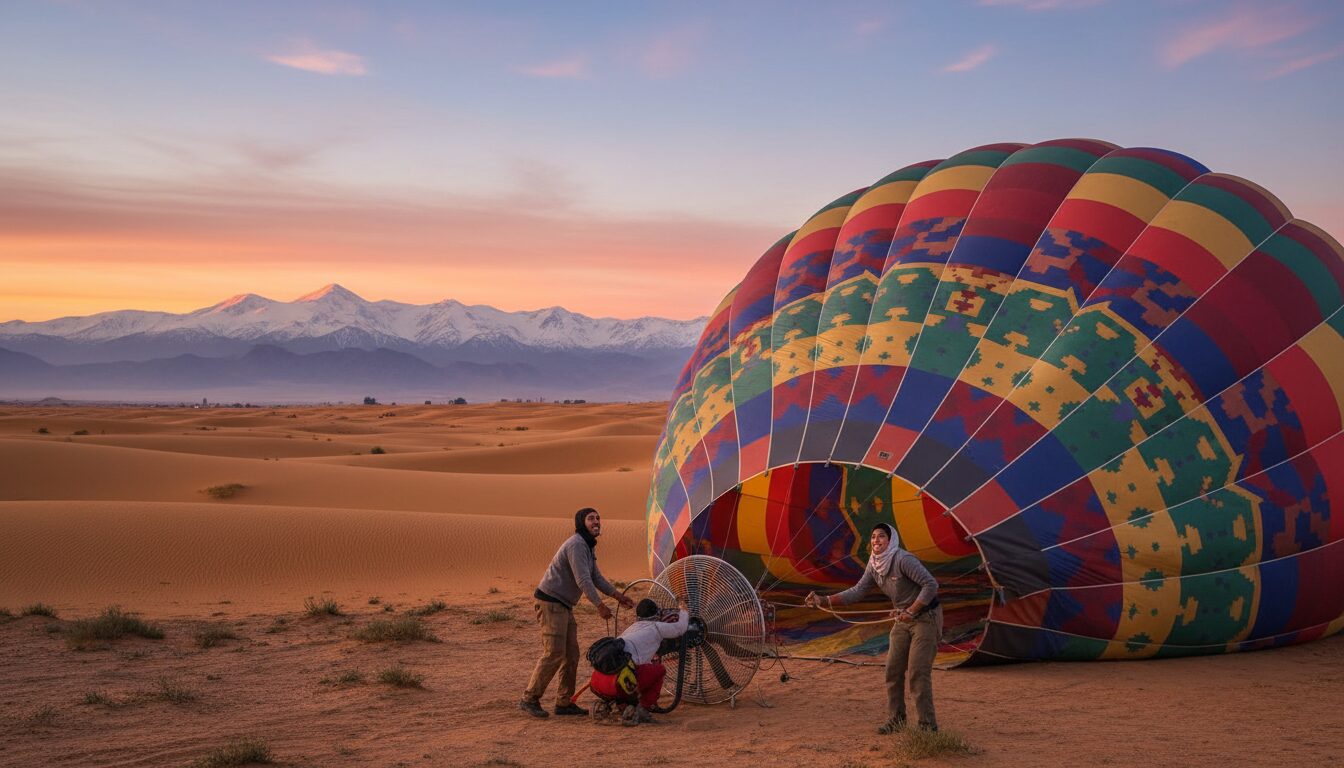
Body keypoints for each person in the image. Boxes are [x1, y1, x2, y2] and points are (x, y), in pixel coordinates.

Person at [806, 522, 941, 733]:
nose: (876, 540)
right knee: (893, 670)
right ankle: (896, 720)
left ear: (891, 540)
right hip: (902, 619)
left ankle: (927, 727)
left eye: (881, 536)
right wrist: (824, 600)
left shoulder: (903, 560)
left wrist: (912, 610)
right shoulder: (874, 564)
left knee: (917, 673)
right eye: (873, 537)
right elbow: (858, 591)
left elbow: (931, 585)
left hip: (925, 618)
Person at [520, 507, 634, 718]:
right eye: (591, 518)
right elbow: (583, 580)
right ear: (581, 523)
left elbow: (596, 577)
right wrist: (600, 606)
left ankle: (564, 702)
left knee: (571, 655)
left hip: (564, 605)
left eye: (598, 518)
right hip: (551, 602)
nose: (596, 521)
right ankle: (530, 698)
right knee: (554, 653)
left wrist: (618, 596)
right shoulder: (577, 545)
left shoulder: (587, 546)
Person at [590, 597, 689, 723]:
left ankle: (621, 703)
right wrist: (683, 610)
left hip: (598, 684)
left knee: (640, 668)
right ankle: (646, 706)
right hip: (620, 684)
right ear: (656, 615)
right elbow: (680, 628)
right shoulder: (656, 627)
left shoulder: (631, 629)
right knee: (659, 670)